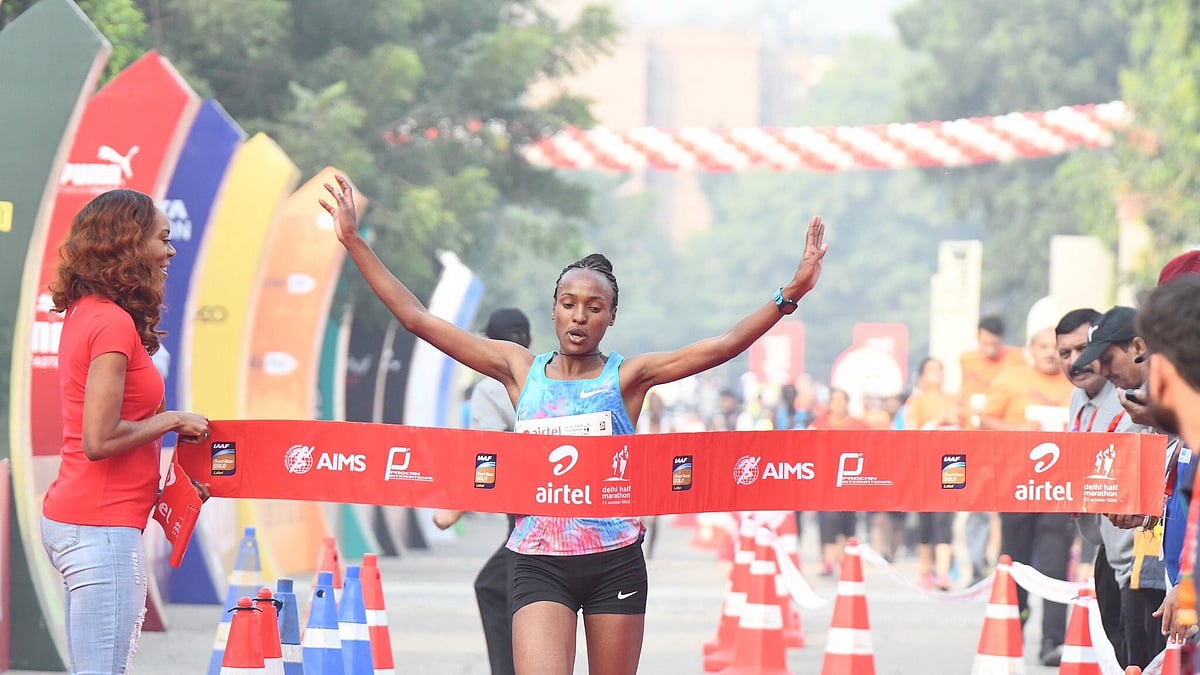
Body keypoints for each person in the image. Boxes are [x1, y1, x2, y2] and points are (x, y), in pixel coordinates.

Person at [322, 174, 827, 675]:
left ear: (611, 317)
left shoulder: (628, 378)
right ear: (553, 311)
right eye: (569, 305)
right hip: (538, 559)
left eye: (594, 308)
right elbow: (417, 319)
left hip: (614, 561)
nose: (579, 317)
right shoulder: (519, 369)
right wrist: (352, 240)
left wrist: (792, 292)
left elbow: (722, 346)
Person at [39, 189, 211, 674]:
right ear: (129, 243)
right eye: (162, 238)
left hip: (83, 519)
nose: (171, 251)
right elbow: (100, 440)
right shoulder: (111, 324)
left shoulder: (87, 311)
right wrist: (173, 419)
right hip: (100, 531)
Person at [433, 307, 532, 675]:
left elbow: (486, 457)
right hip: (559, 501)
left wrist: (455, 507)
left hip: (527, 519)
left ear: (485, 345)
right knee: (493, 585)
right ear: (531, 340)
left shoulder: (492, 386)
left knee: (509, 595)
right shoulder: (546, 376)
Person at [1058, 308, 1153, 668]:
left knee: (1141, 657)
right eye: (1065, 353)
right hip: (1108, 545)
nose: (1080, 363)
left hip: (1143, 555)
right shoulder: (1078, 401)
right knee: (1122, 651)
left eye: (1092, 352)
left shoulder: (1141, 395)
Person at [980, 325, 1075, 666]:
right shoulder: (1011, 379)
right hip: (1017, 488)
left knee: (1054, 567)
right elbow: (985, 419)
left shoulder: (1076, 384)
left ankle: (1053, 640)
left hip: (1060, 490)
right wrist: (1016, 431)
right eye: (1043, 346)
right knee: (1014, 563)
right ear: (1030, 349)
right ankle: (1011, 632)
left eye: (1057, 347)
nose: (1051, 353)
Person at [959, 315, 1027, 587]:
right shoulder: (966, 360)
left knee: (1006, 508)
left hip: (1006, 444)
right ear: (978, 338)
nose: (990, 349)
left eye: (995, 344)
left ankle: (1004, 566)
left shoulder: (1017, 360)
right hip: (973, 443)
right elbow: (963, 392)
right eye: (985, 343)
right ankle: (976, 568)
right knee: (975, 507)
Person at [904, 357, 960, 590]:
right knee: (925, 519)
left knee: (946, 518)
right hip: (924, 464)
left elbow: (961, 425)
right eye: (930, 370)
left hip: (952, 462)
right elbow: (913, 430)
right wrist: (938, 420)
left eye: (939, 370)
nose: (935, 375)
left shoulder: (954, 400)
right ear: (922, 376)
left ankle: (944, 572)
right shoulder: (916, 401)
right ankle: (926, 570)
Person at [809, 387, 866, 575]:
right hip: (825, 483)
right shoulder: (818, 425)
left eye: (843, 400)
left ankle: (844, 559)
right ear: (830, 403)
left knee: (847, 521)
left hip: (850, 482)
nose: (839, 404)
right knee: (827, 520)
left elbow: (871, 448)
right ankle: (828, 560)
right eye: (835, 400)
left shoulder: (859, 426)